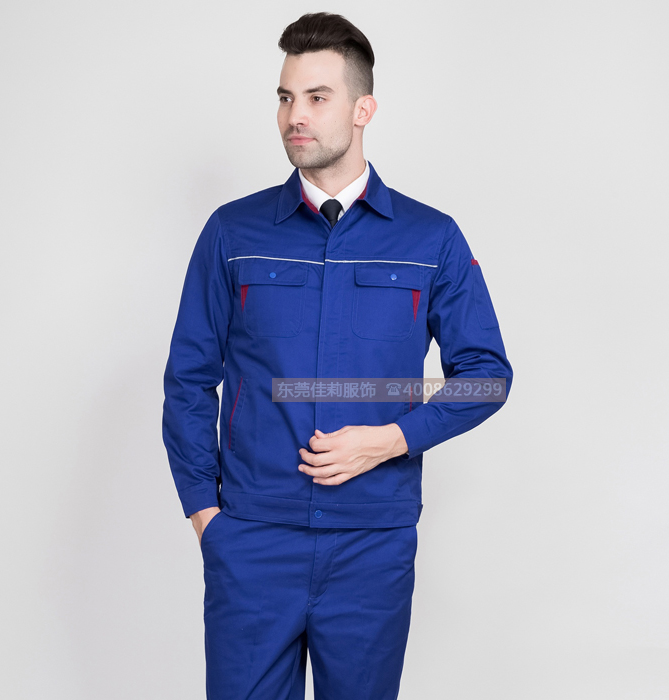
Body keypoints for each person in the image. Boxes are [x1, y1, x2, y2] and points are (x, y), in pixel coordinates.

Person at [162, 11, 513, 700]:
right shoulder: (232, 233)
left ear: (362, 109)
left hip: (372, 545)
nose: (295, 115)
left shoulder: (431, 239)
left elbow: (487, 377)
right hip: (253, 542)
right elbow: (188, 380)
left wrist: (391, 439)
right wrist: (207, 517)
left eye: (317, 97)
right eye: (285, 97)